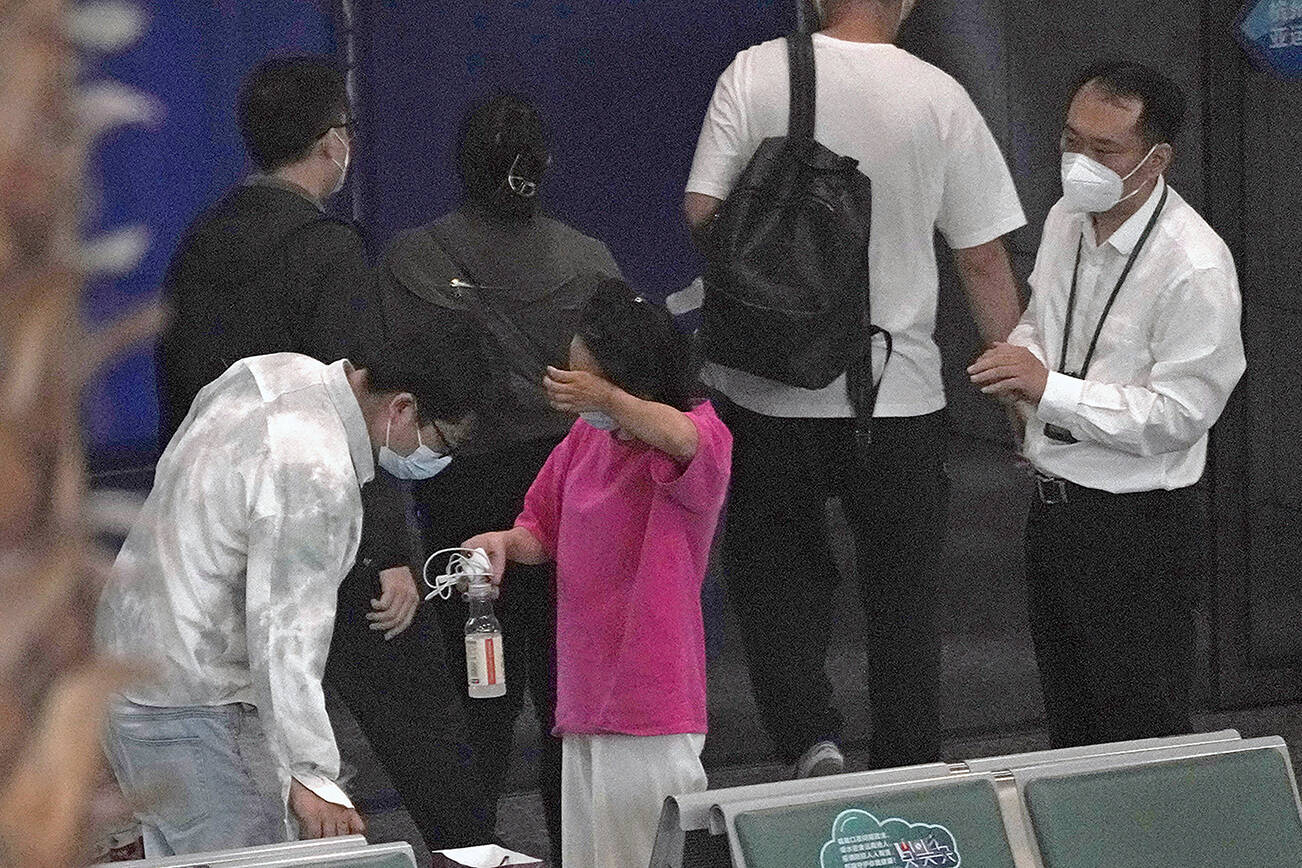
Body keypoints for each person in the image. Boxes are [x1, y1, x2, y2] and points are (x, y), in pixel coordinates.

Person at [683, 0, 1025, 775]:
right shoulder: (938, 96)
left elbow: (702, 210)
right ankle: (911, 771)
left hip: (768, 386)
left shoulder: (755, 71)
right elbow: (981, 260)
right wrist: (1017, 397)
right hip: (897, 396)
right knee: (904, 604)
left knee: (774, 579)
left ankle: (809, 740)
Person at [96, 336, 485, 857]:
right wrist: (309, 774)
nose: (439, 457)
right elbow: (286, 631)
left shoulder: (273, 372)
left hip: (131, 664)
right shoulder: (315, 471)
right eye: (441, 441)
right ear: (402, 407)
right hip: (195, 698)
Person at [968, 61, 1245, 748]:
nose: (1079, 163)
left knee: (1141, 727)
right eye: (1070, 141)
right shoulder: (1069, 216)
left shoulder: (1195, 266)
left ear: (1156, 160)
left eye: (1103, 150)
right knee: (1072, 721)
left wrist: (1048, 389)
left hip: (1138, 525)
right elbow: (1045, 320)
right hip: (1056, 504)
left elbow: (1178, 414)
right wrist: (1021, 362)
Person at [372, 93, 622, 853]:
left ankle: (467, 851)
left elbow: (386, 393)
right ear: (541, 168)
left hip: (463, 505)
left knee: (473, 704)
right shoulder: (590, 262)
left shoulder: (414, 260)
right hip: (570, 499)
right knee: (568, 704)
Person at [464, 281, 732, 868]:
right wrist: (505, 544)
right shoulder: (587, 437)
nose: (576, 394)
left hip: (651, 699)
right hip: (584, 692)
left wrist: (608, 398)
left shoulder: (700, 435)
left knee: (644, 856)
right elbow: (540, 529)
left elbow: (684, 437)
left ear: (625, 378)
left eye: (588, 381)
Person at [156, 55, 371, 444]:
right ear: (329, 142)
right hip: (292, 483)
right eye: (348, 129)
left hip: (199, 478)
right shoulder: (329, 248)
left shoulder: (199, 240)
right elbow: (348, 396)